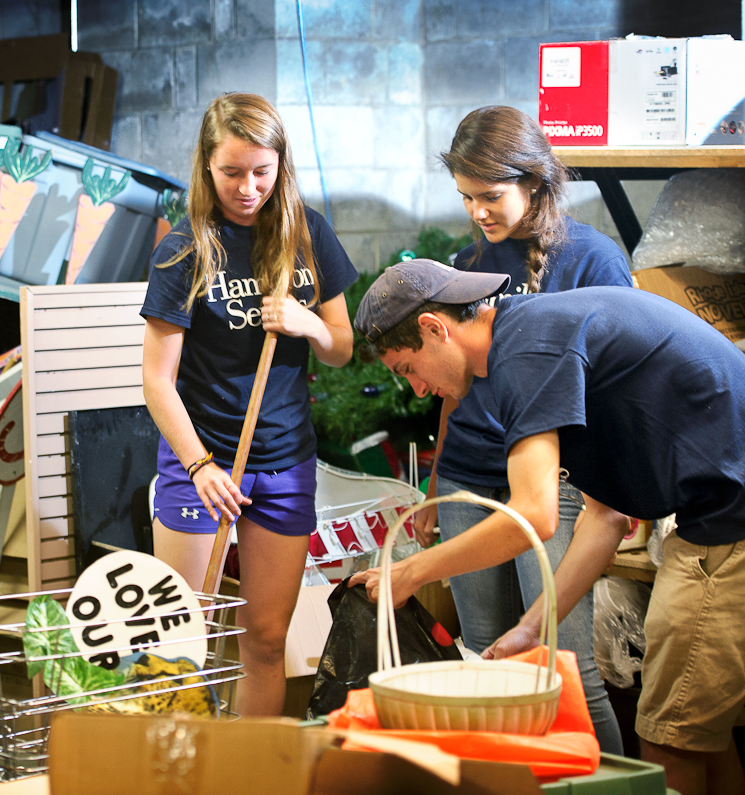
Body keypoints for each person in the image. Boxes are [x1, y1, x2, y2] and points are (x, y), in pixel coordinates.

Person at [350, 259, 745, 795]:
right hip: (713, 520)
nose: (419, 390)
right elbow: (604, 518)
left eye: (407, 369)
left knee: (667, 741)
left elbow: (532, 513)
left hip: (727, 526)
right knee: (700, 737)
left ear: (434, 328)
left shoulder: (525, 352)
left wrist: (413, 571)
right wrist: (533, 627)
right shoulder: (529, 336)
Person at [416, 105, 630, 753]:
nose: (479, 210)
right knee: (484, 656)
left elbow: (617, 383)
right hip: (472, 477)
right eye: (465, 197)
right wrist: (433, 485)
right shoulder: (468, 261)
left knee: (564, 666)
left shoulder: (593, 258)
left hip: (559, 481)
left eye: (490, 195)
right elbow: (455, 387)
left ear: (535, 180)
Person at [140, 92, 357, 717]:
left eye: (262, 171)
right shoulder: (184, 249)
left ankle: (249, 776)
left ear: (280, 165)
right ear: (206, 165)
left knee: (264, 640)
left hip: (286, 463)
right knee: (179, 646)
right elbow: (157, 381)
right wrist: (200, 466)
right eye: (232, 171)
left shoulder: (306, 234)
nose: (248, 187)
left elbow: (342, 347)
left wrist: (308, 324)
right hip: (201, 461)